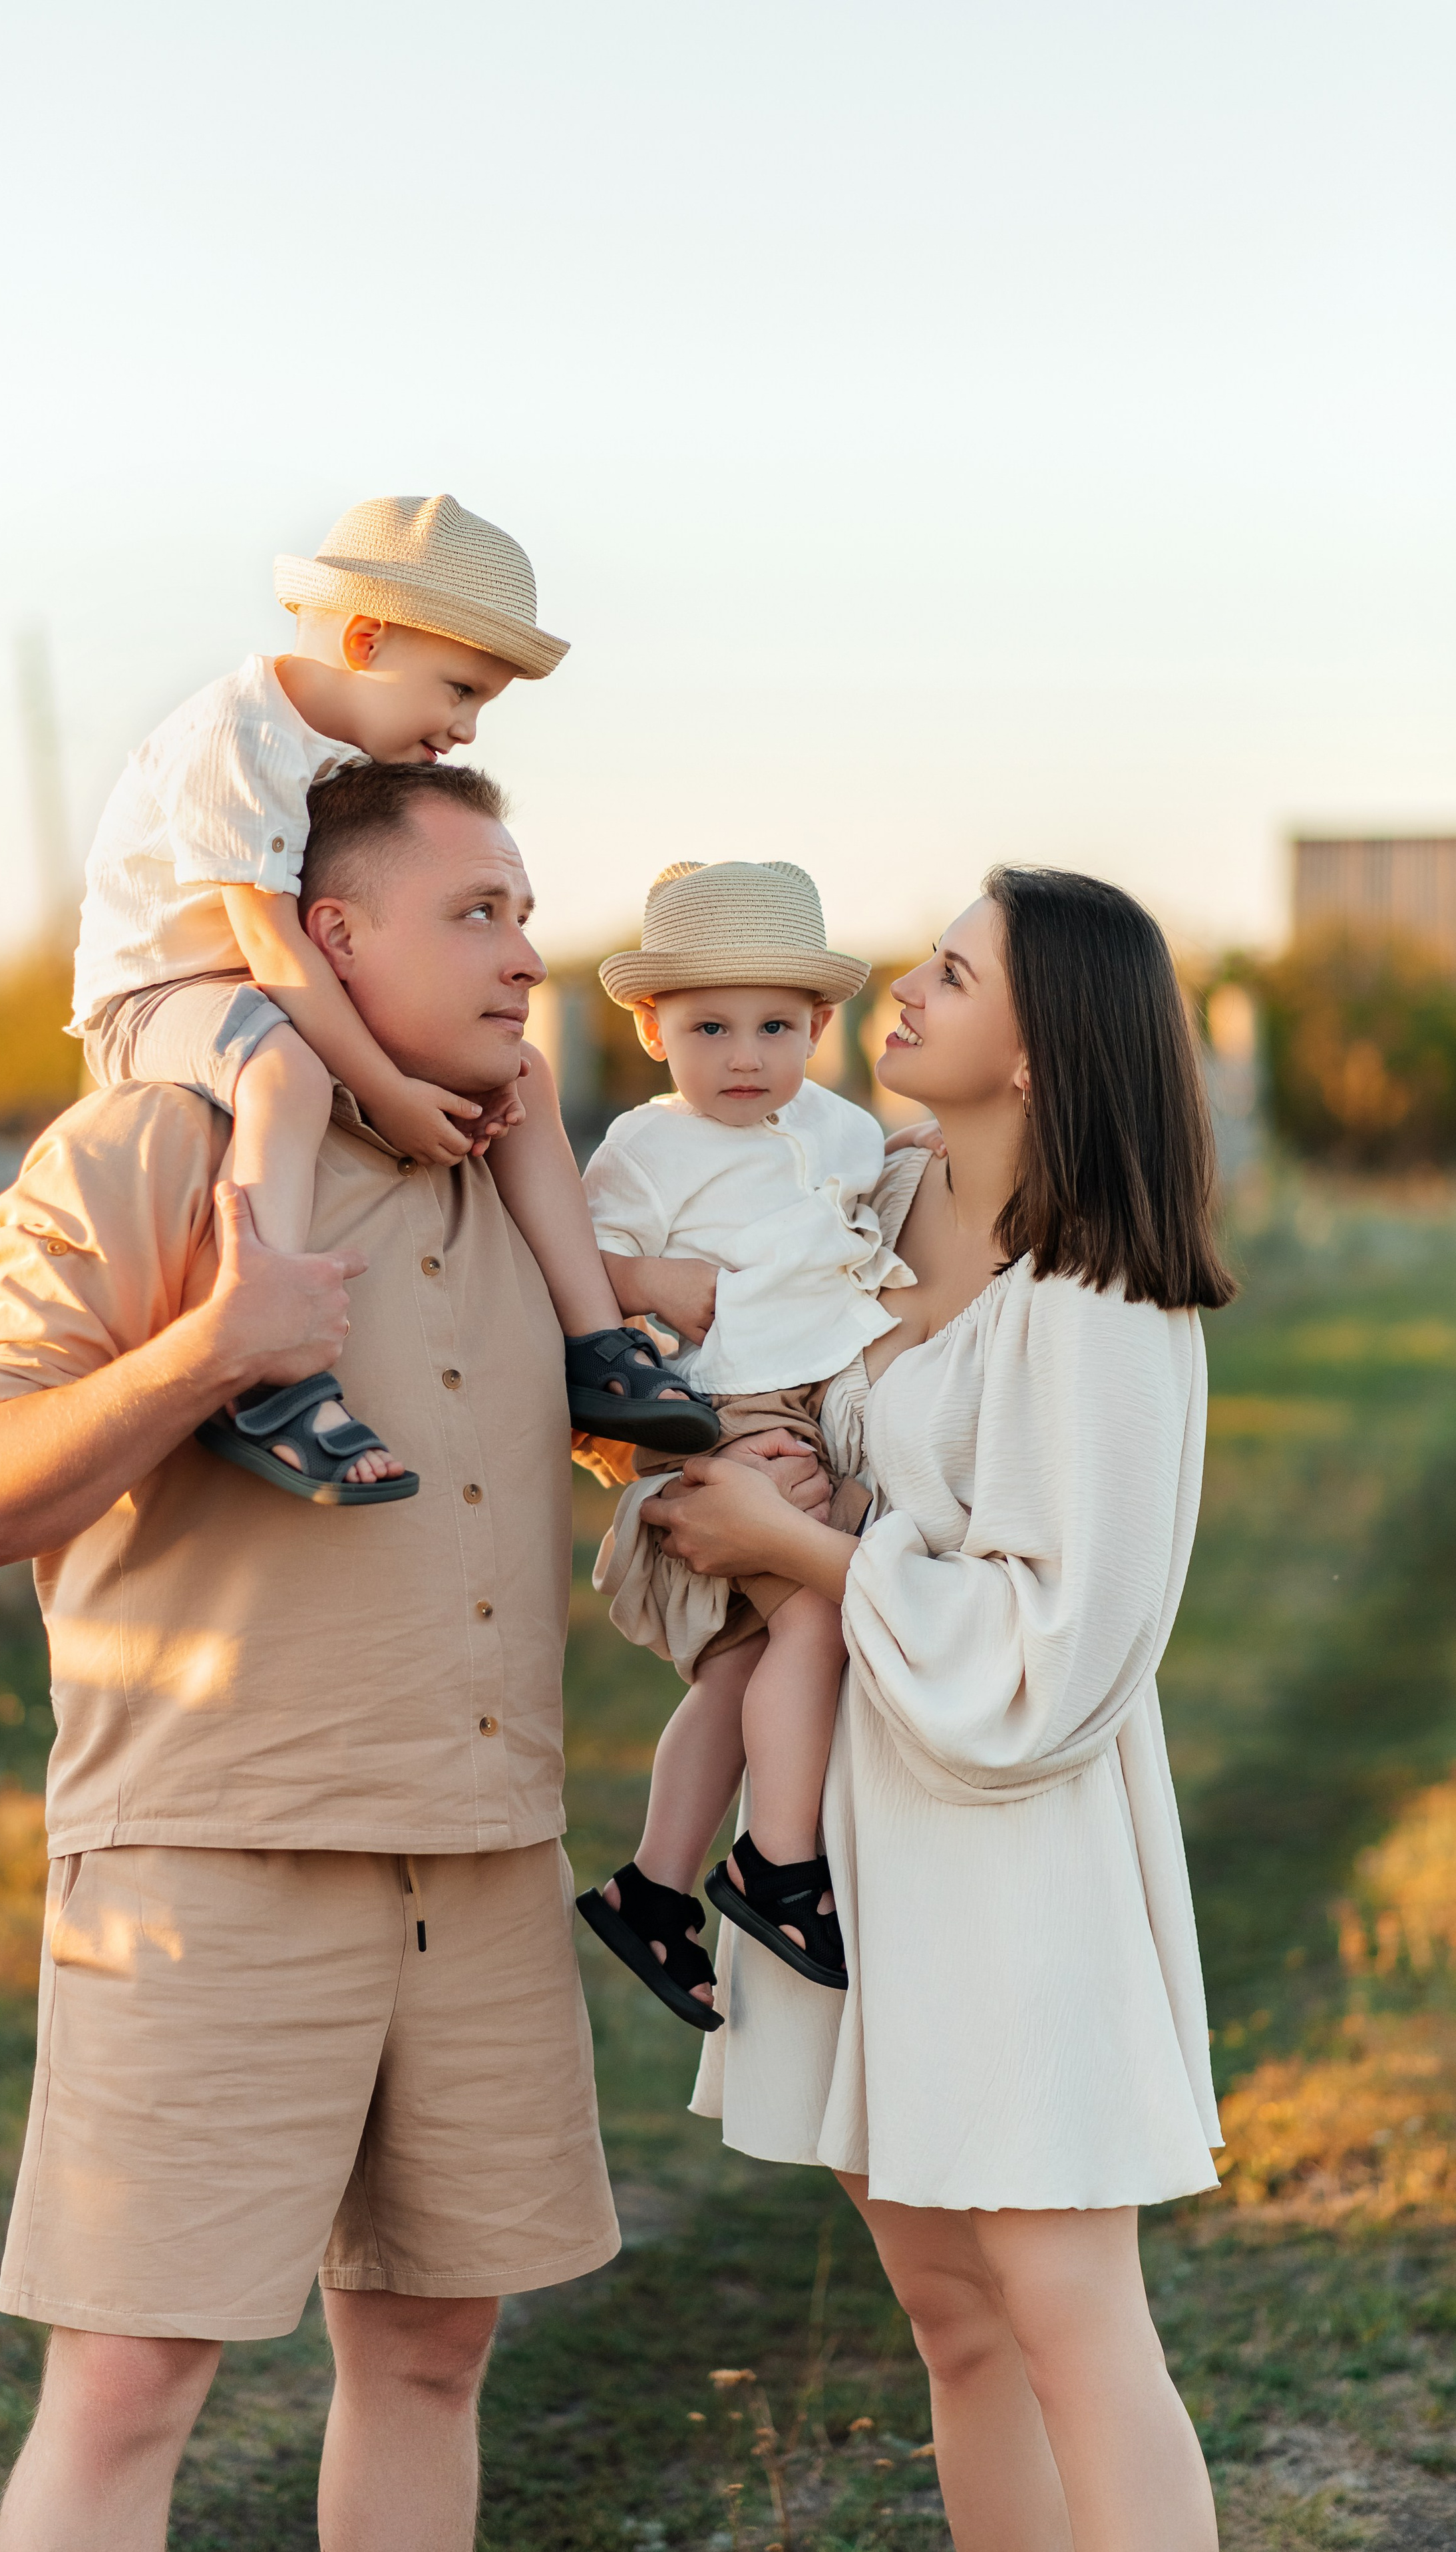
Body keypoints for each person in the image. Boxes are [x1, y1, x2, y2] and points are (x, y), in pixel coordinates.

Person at [0, 760, 625, 2552]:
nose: (524, 954)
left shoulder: (524, 1194)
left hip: (482, 1853)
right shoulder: (149, 1147)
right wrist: (214, 1350)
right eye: (479, 911)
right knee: (133, 2383)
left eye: (528, 914)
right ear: (329, 934)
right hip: (212, 1857)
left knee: (436, 2348)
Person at [639, 867, 1232, 2552]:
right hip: (846, 1832)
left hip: (1007, 1854)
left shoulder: (1104, 1301)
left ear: (1041, 1048)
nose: (902, 984)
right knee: (953, 2327)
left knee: (1066, 2321)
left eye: (951, 970)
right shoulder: (867, 1201)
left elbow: (1069, 1643)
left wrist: (802, 1554)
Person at [70, 491, 711, 1503]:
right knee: (282, 1075)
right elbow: (275, 945)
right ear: (365, 638)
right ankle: (271, 1368)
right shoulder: (237, 738)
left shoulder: (348, 756)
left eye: (481, 706)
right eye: (458, 690)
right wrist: (392, 1093)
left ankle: (597, 1343)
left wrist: (451, 1066)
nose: (463, 727)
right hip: (160, 994)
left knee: (527, 1070)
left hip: (271, 982)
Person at [567, 858, 934, 2026]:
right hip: (722, 1415)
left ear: (822, 1025)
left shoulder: (843, 1131)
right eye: (709, 1026)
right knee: (820, 1618)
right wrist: (644, 1277)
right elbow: (565, 1274)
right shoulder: (643, 1147)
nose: (743, 1057)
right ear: (649, 1023)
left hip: (820, 1407)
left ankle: (654, 1890)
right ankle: (777, 1865)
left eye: (776, 1027)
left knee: (741, 1666)